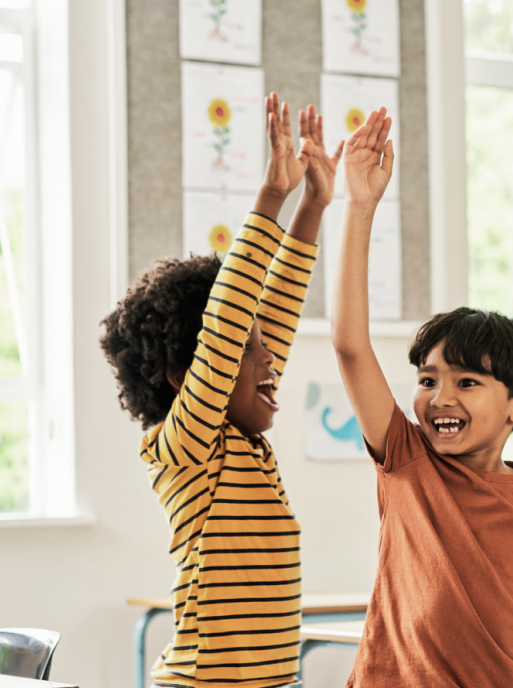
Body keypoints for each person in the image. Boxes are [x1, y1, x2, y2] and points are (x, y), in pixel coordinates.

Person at [330, 109, 513, 688]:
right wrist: (359, 208)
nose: (440, 397)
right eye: (428, 379)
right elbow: (349, 345)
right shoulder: (405, 460)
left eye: (467, 382)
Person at [100, 95, 337, 687]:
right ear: (189, 376)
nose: (270, 361)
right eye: (249, 349)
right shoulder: (185, 450)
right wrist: (271, 198)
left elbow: (270, 307)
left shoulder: (241, 436)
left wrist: (312, 205)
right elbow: (229, 316)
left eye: (266, 348)